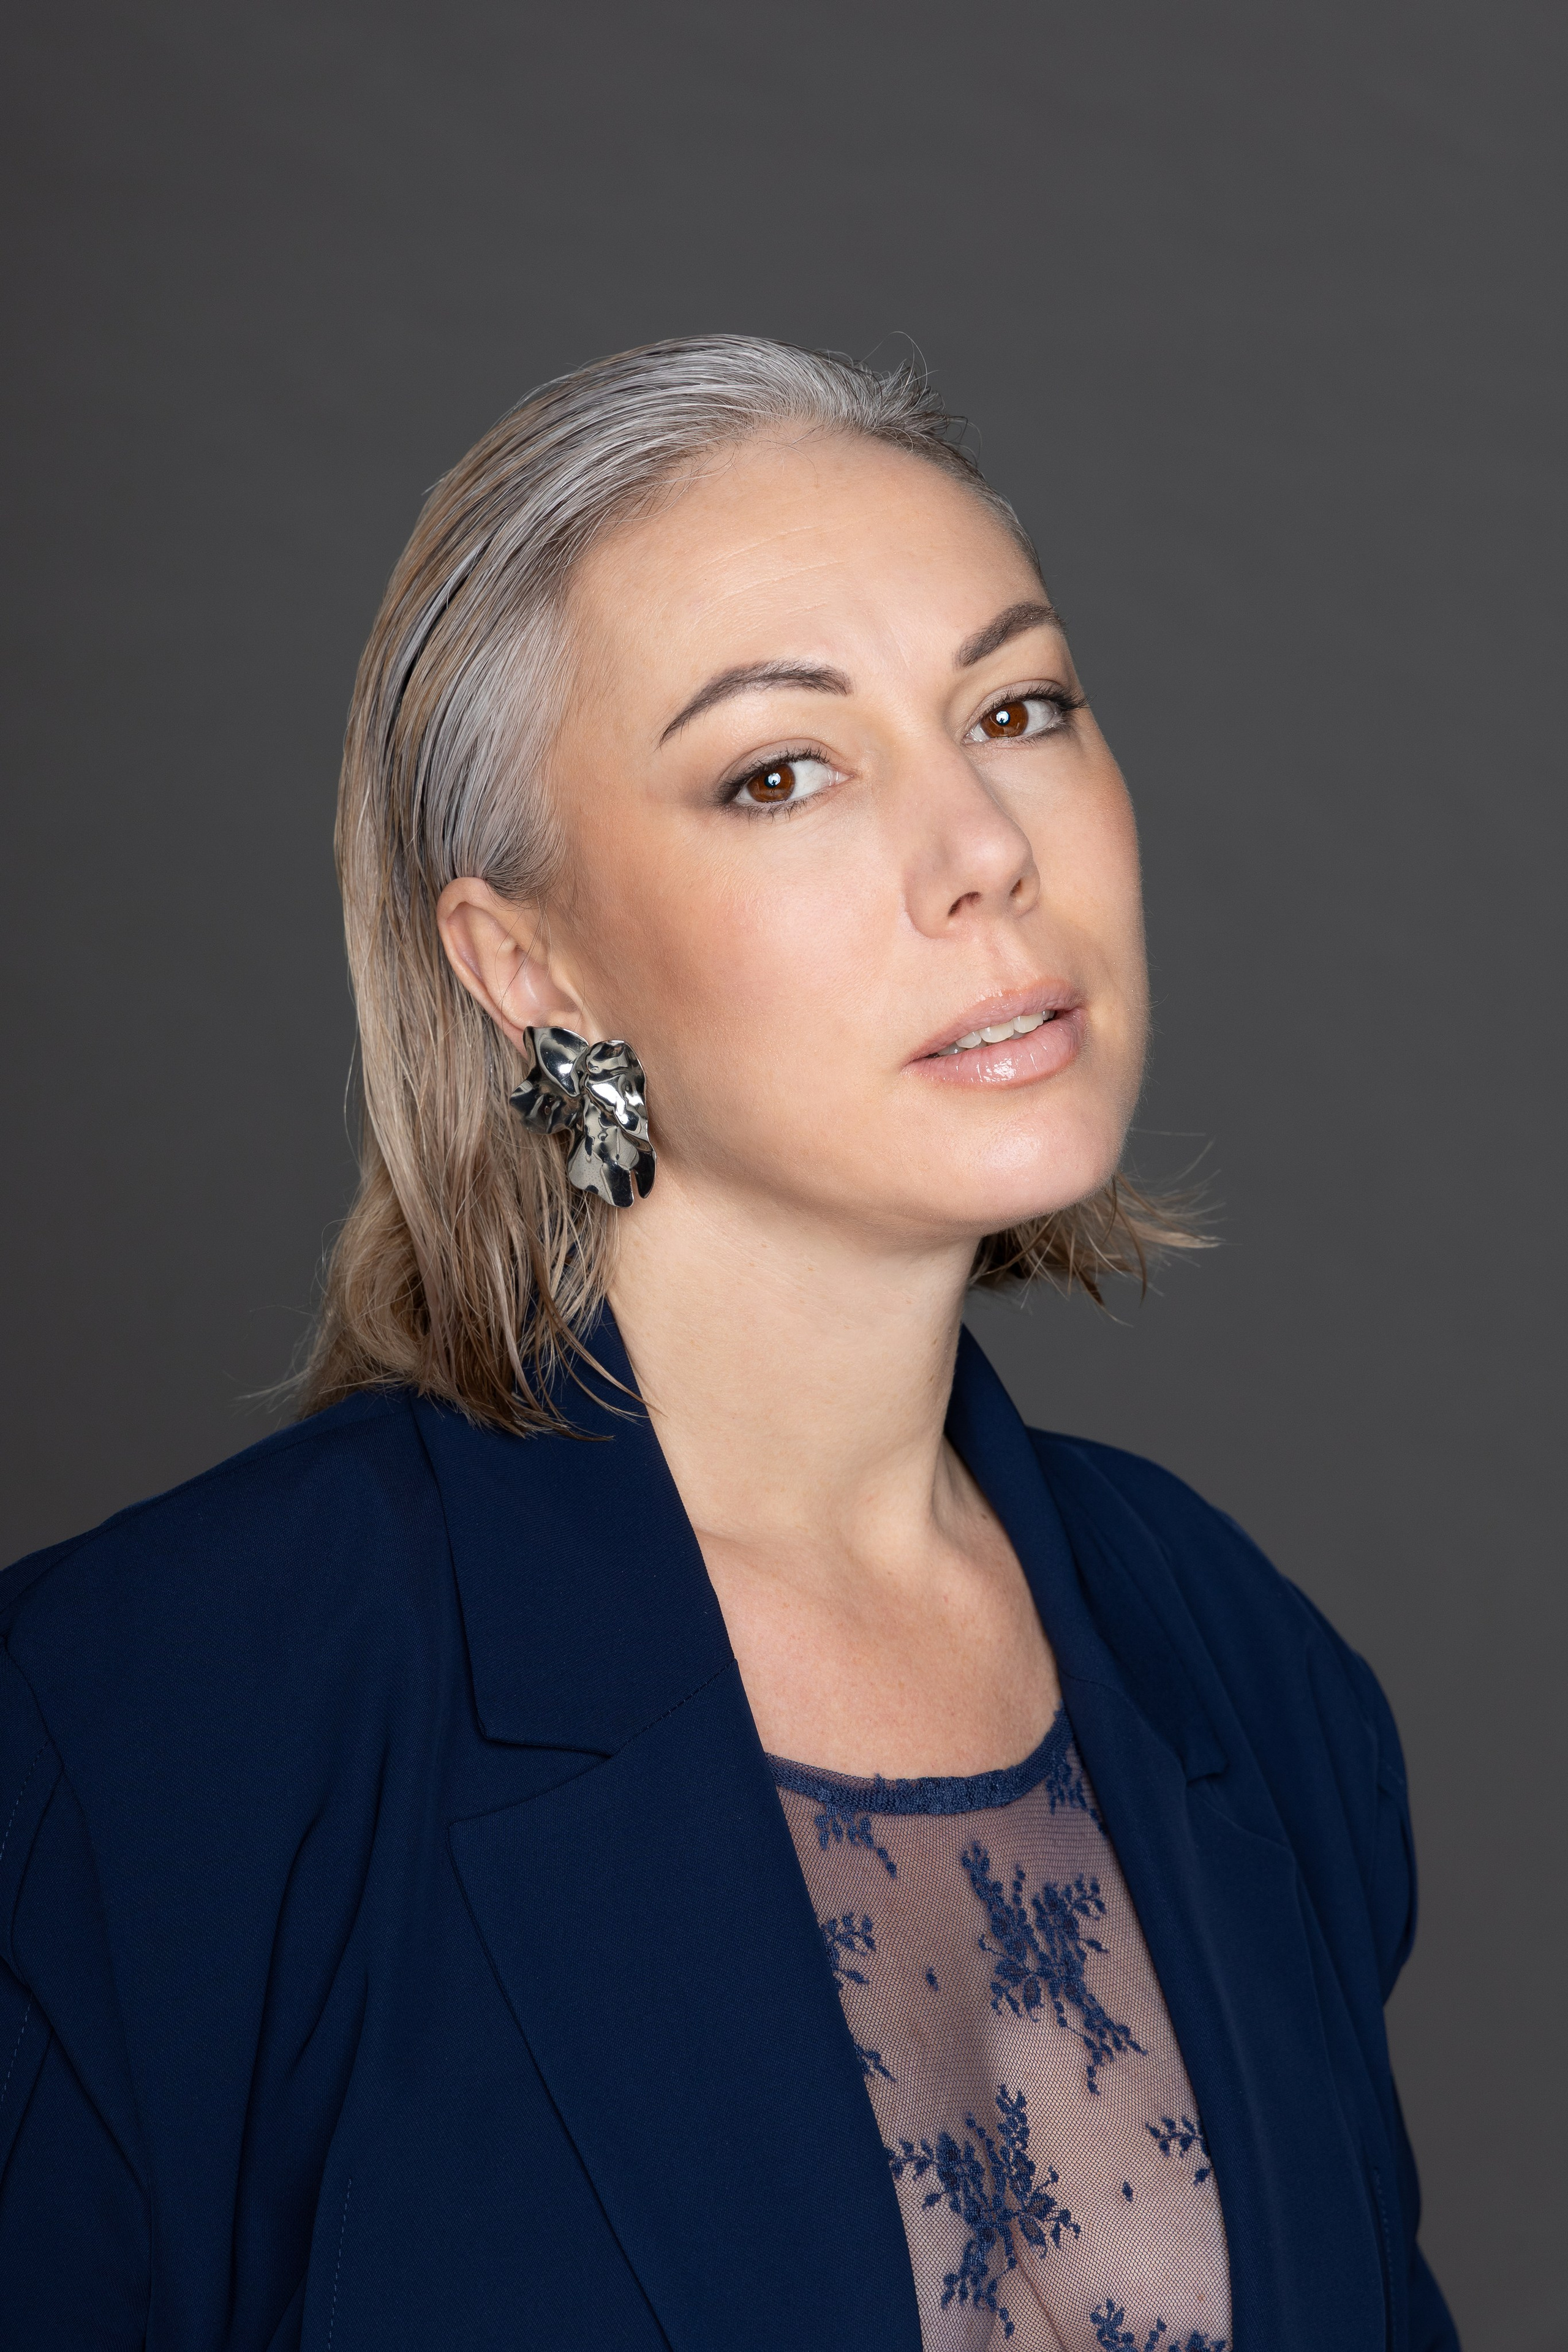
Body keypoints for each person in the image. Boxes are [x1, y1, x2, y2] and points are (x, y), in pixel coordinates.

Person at [0, 337, 1457, 2352]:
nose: (985, 849)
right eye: (785, 771)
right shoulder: (140, 1721)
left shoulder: (1258, 1676)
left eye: (1018, 708)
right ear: (530, 966)